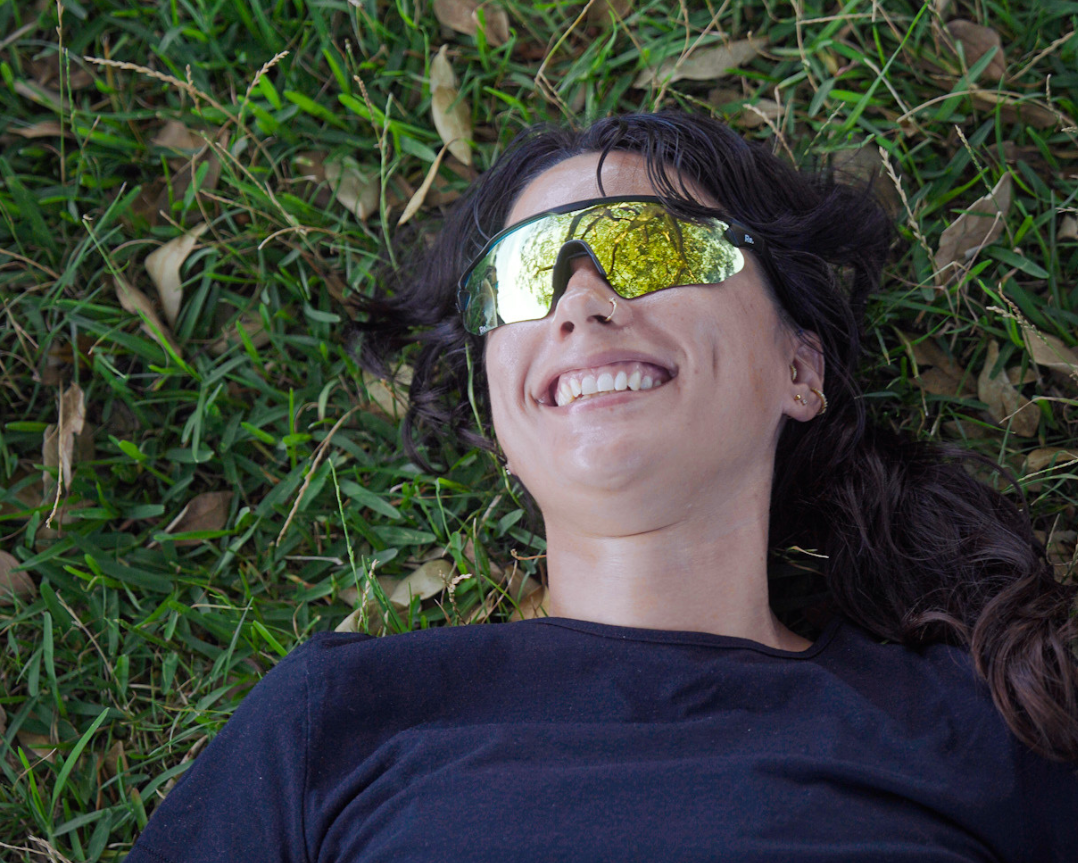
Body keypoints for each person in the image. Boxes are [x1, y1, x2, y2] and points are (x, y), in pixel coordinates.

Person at [125, 111, 1078, 862]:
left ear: (801, 369)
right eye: (526, 273)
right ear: (501, 411)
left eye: (654, 246)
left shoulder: (989, 718)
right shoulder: (336, 718)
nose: (580, 299)